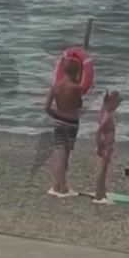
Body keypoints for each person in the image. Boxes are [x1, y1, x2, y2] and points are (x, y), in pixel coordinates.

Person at [44, 57, 83, 196]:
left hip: (59, 121)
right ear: (77, 72)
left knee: (59, 152)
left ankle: (56, 186)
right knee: (64, 155)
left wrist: (57, 115)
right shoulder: (76, 87)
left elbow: (47, 107)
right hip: (71, 122)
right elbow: (79, 105)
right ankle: (63, 188)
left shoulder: (56, 87)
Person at [94, 90, 122, 203]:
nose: (117, 107)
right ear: (111, 102)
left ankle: (102, 194)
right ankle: (99, 196)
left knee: (103, 170)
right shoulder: (107, 116)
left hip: (107, 146)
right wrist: (100, 146)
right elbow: (98, 131)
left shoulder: (105, 112)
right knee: (102, 170)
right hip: (106, 146)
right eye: (117, 104)